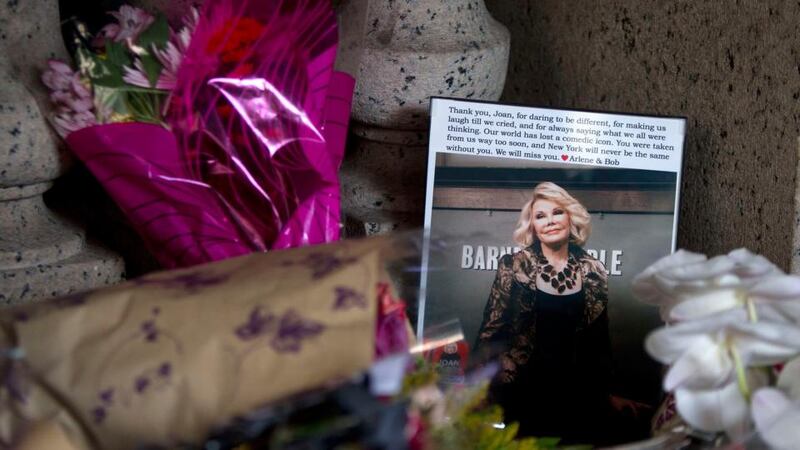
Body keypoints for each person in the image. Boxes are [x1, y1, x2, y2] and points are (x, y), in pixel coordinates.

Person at [475, 182, 614, 444]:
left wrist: (604, 392)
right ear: (533, 226)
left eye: (557, 212)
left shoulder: (594, 269)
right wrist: (482, 388)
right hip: (524, 391)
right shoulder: (513, 265)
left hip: (579, 394)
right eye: (540, 216)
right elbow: (490, 332)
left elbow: (600, 342)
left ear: (570, 218)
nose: (550, 221)